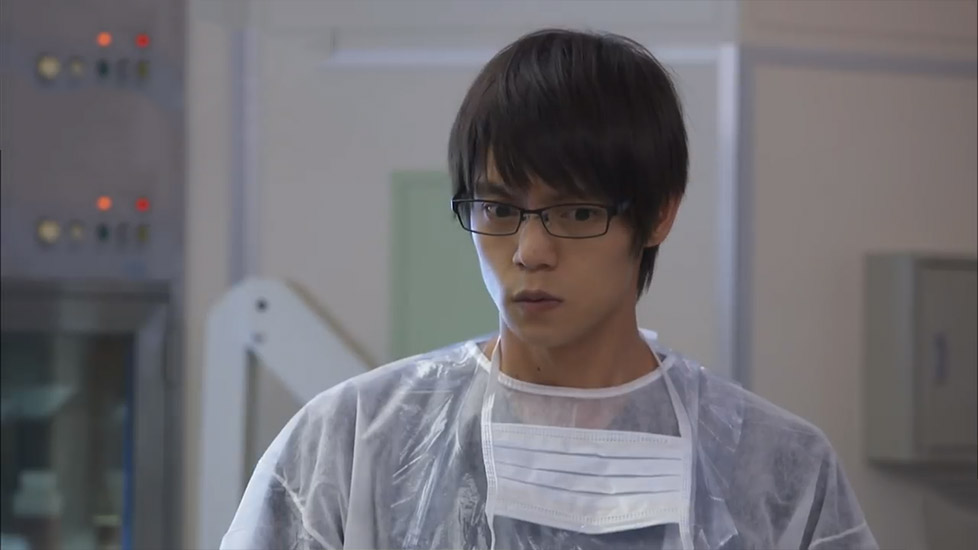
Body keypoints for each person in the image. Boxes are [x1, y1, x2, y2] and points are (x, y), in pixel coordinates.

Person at [220, 29, 877, 550]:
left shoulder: (777, 471)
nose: (530, 252)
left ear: (658, 214)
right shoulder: (353, 442)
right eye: (499, 209)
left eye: (577, 212)